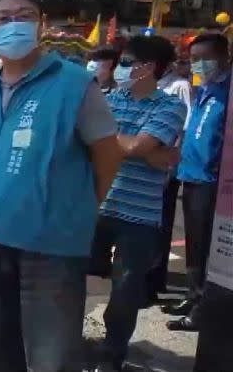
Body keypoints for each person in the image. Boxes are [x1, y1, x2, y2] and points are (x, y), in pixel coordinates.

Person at [0, 0, 122, 372]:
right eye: (3, 19)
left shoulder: (74, 84)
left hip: (50, 246)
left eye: (23, 15)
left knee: (50, 358)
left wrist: (80, 206)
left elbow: (108, 154)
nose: (13, 25)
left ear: (41, 25)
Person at [90, 36, 187, 372]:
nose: (120, 68)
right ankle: (64, 340)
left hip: (140, 216)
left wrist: (114, 140)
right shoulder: (108, 98)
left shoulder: (171, 106)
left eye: (127, 61)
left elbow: (135, 146)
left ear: (148, 68)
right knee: (68, 276)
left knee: (126, 292)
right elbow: (93, 141)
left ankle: (111, 356)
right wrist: (149, 152)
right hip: (96, 206)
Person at [163, 33, 231, 332]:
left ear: (224, 58)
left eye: (205, 59)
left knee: (205, 246)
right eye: (193, 60)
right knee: (193, 243)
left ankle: (202, 309)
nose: (198, 65)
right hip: (189, 175)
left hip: (212, 181)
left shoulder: (227, 91)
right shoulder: (205, 89)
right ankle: (192, 297)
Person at [147, 55, 194, 299]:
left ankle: (155, 280)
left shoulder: (179, 86)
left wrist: (173, 164)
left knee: (162, 223)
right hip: (149, 164)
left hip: (166, 165)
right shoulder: (155, 85)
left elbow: (184, 128)